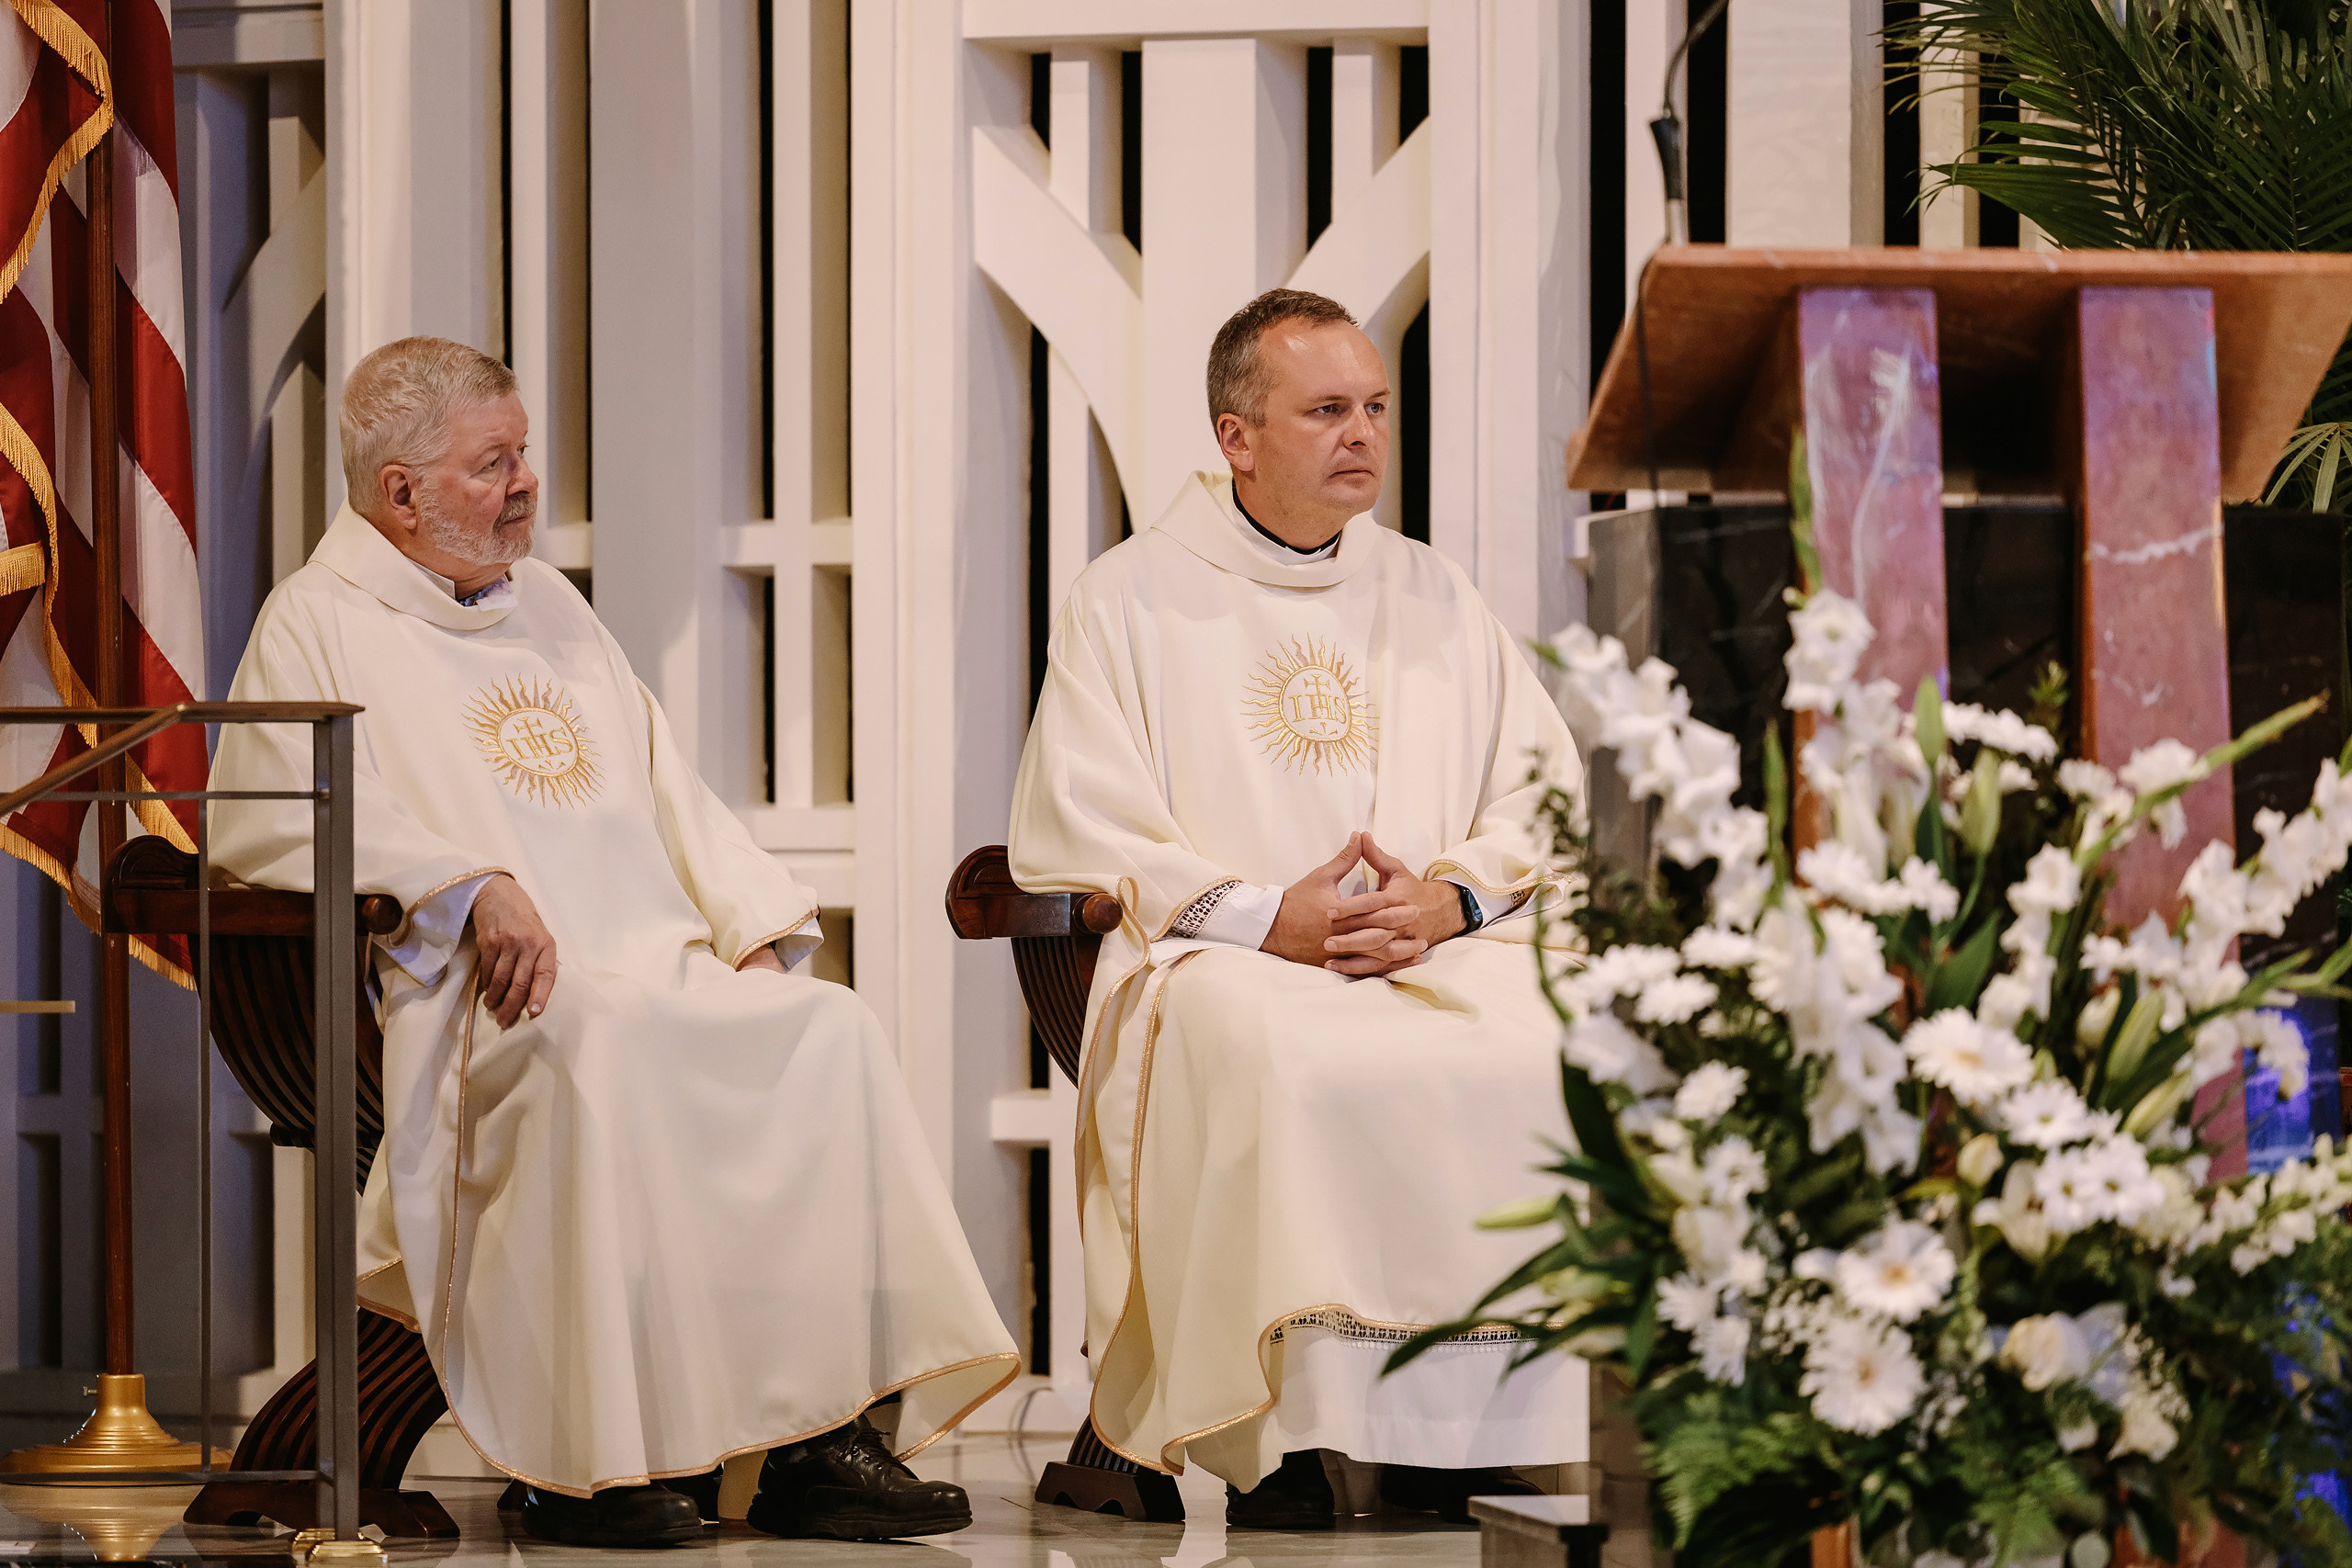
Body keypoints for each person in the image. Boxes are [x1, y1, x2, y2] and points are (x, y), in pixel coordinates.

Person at [209, 337, 1018, 1549]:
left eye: (523, 452)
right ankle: (589, 1466)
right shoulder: (315, 624)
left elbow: (667, 789)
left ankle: (817, 1441)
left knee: (823, 1028)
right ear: (402, 494)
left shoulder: (554, 608)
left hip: (651, 965)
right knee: (600, 1043)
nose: (528, 482)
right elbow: (275, 815)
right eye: (494, 464)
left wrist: (749, 929)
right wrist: (466, 882)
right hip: (478, 996)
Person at [1008, 288, 1589, 1529]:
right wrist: (1271, 919)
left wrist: (1445, 900)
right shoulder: (1132, 598)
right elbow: (1085, 820)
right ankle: (1289, 1440)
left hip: (1415, 946)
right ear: (1237, 438)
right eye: (1327, 410)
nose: (1362, 434)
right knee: (1289, 1052)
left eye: (1375, 407)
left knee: (1543, 1038)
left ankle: (1460, 1440)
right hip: (1224, 954)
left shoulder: (1430, 592)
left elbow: (1539, 790)